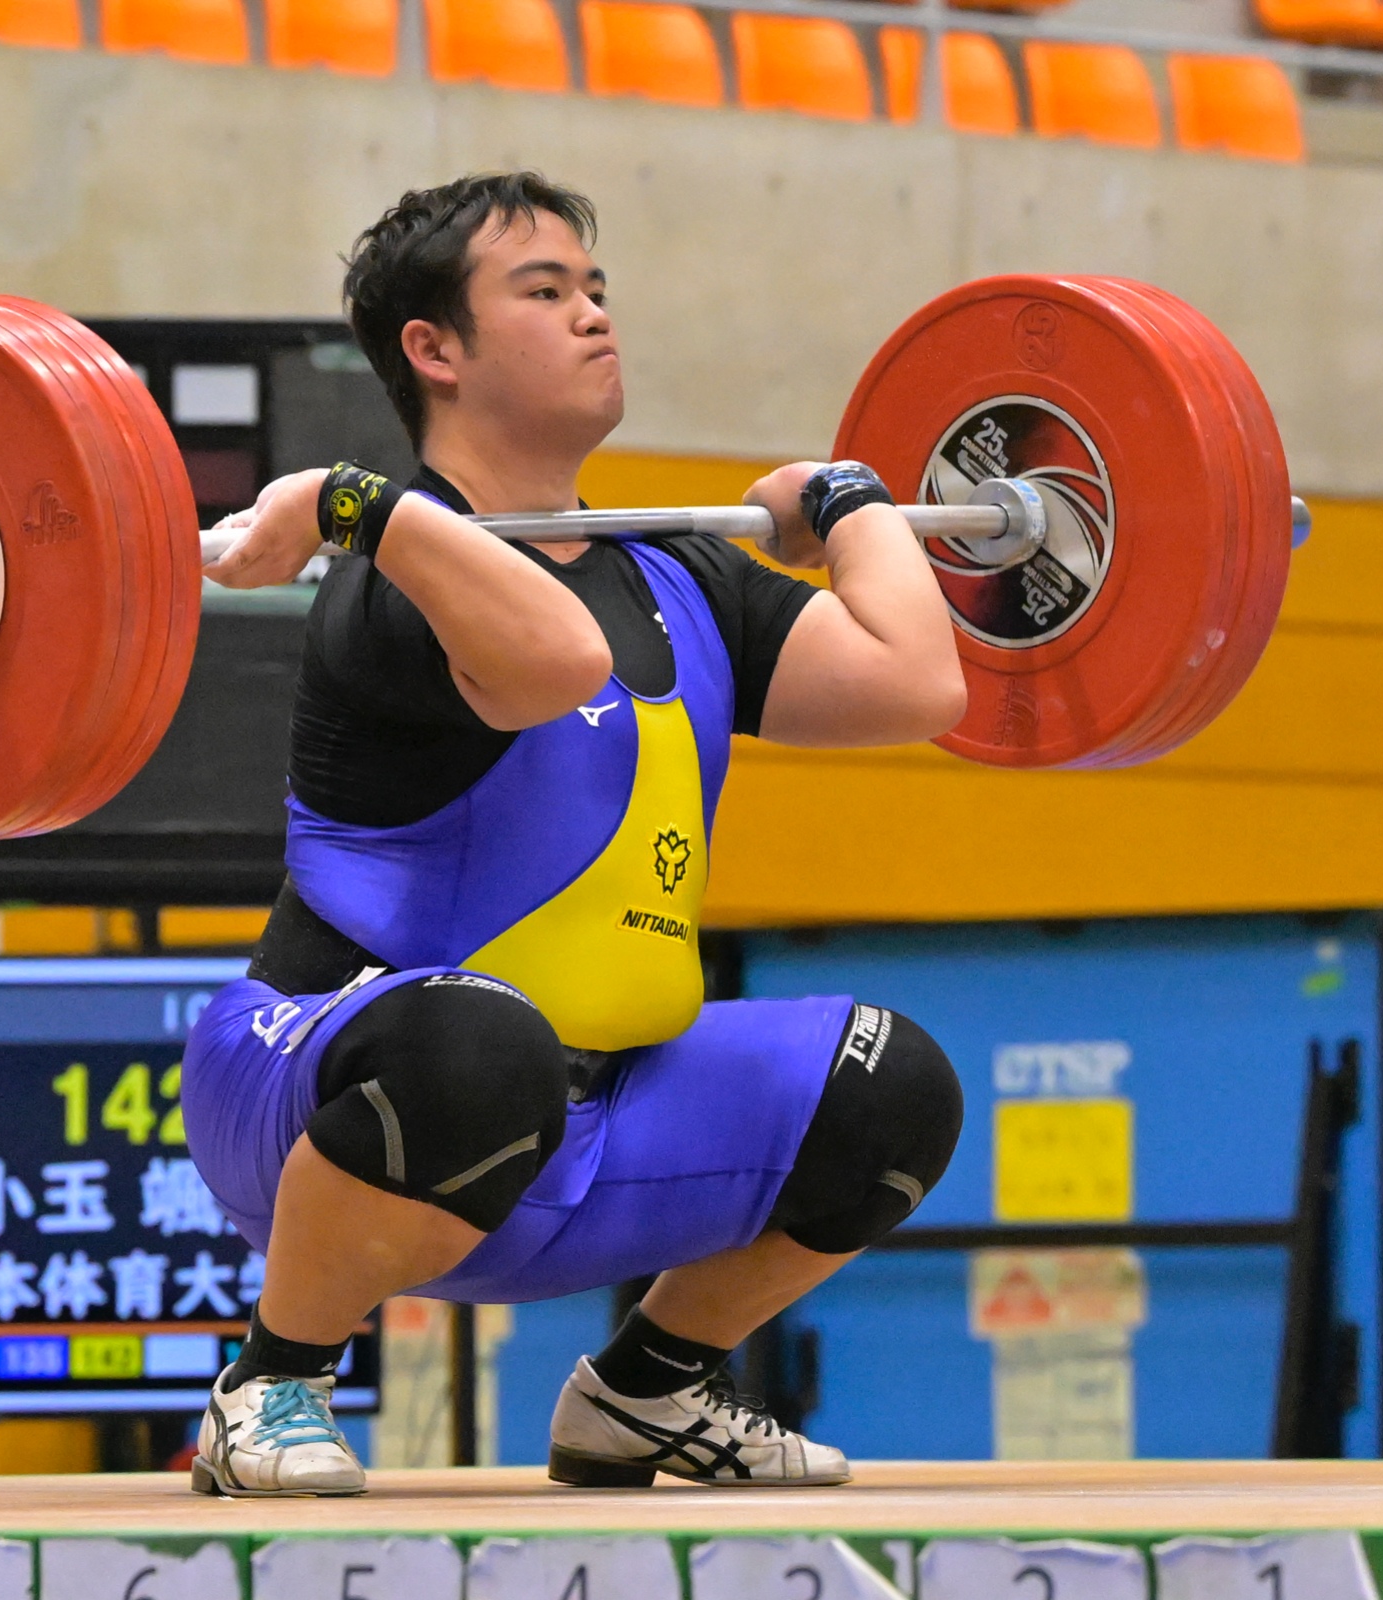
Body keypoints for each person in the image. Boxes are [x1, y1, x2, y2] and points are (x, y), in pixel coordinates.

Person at [182, 172, 968, 1498]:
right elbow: (553, 660)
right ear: (434, 349)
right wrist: (350, 507)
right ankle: (269, 1381)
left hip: (593, 1128)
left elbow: (916, 682)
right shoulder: (391, 580)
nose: (594, 314)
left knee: (890, 1086)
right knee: (482, 1041)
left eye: (595, 289)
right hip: (330, 1096)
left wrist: (849, 502)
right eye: (544, 292)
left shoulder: (679, 575)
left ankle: (646, 1391)